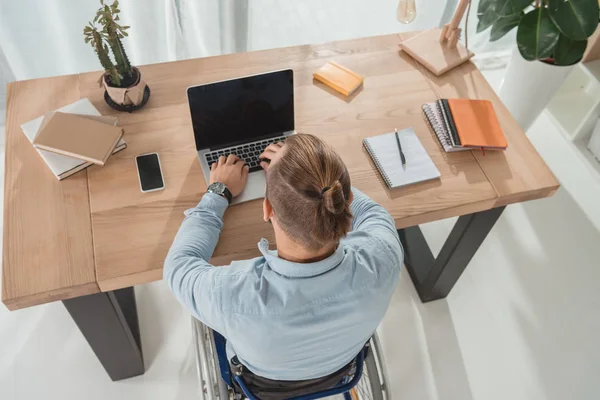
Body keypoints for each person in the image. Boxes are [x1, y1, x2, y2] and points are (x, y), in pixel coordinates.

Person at [164, 133, 403, 391]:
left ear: (267, 210)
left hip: (262, 385)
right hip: (341, 369)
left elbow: (179, 263)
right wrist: (309, 173)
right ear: (346, 201)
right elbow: (372, 213)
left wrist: (219, 192)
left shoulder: (230, 295)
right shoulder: (384, 256)